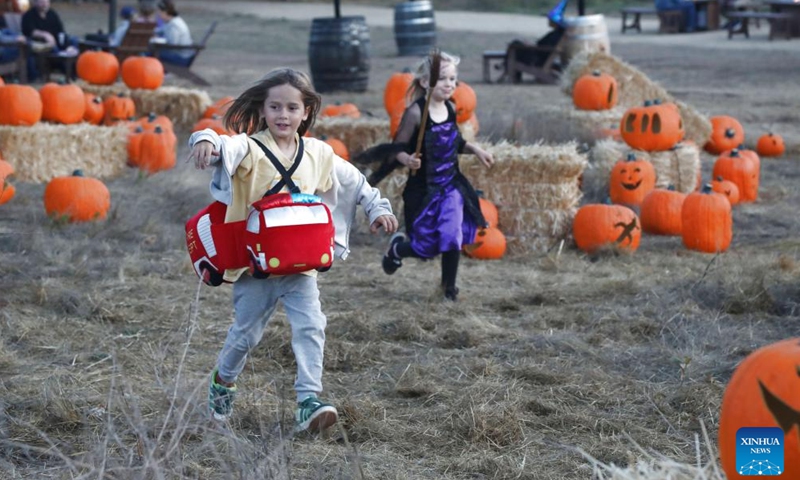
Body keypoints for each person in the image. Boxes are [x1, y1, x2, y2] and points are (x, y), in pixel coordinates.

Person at [187, 68, 399, 431]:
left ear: (306, 112)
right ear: (264, 110)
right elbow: (224, 143)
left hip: (301, 265)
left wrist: (377, 207)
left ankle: (307, 400)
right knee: (246, 334)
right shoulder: (249, 148)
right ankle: (223, 382)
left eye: (291, 107)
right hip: (258, 267)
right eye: (275, 107)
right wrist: (205, 139)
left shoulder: (319, 153)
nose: (283, 115)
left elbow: (356, 182)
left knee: (312, 325)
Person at [380, 51, 494, 302]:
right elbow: (397, 148)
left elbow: (454, 142)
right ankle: (398, 248)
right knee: (426, 248)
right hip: (425, 188)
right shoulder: (415, 114)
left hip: (450, 185)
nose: (449, 84)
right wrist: (407, 159)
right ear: (424, 82)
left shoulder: (451, 108)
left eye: (453, 79)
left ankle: (448, 290)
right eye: (443, 78)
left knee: (452, 235)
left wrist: (475, 149)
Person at [154, 0, 193, 66]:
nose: (159, 14)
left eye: (160, 12)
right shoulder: (171, 21)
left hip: (181, 58)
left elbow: (172, 44)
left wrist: (157, 41)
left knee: (151, 54)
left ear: (165, 12)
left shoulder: (174, 25)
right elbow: (160, 31)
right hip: (178, 54)